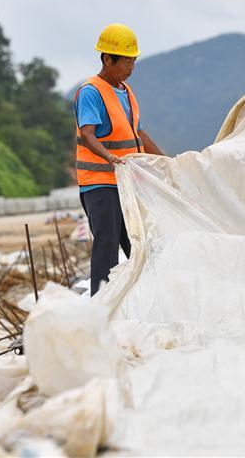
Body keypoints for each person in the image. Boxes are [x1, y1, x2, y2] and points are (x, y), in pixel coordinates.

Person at [75, 23, 165, 295]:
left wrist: (167, 162)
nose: (131, 67)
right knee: (107, 245)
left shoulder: (126, 91)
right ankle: (102, 306)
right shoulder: (91, 91)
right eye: (126, 61)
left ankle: (141, 300)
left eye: (133, 61)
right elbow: (88, 133)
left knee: (138, 244)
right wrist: (109, 157)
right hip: (101, 184)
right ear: (107, 59)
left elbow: (137, 133)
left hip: (127, 182)